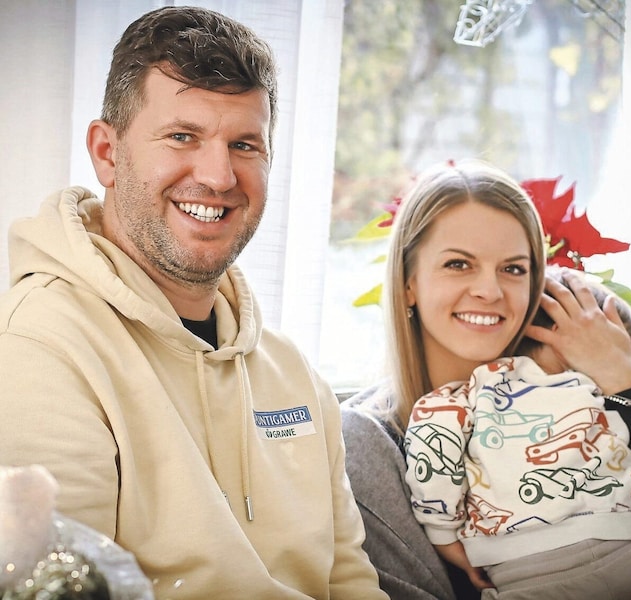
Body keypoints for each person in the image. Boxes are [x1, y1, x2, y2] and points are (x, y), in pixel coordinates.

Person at [0, 6, 387, 599]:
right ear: (107, 152)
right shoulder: (41, 347)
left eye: (245, 144)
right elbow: (62, 590)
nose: (219, 176)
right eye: (183, 136)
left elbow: (352, 584)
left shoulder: (293, 375)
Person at [341, 159, 631, 599]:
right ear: (408, 283)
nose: (489, 291)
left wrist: (623, 381)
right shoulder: (366, 440)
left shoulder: (579, 394)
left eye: (513, 269)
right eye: (458, 264)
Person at [403, 270, 631, 599]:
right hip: (628, 553)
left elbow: (433, 443)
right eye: (620, 351)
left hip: (516, 565)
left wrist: (444, 538)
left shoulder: (472, 391)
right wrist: (625, 377)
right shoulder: (606, 391)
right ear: (566, 332)